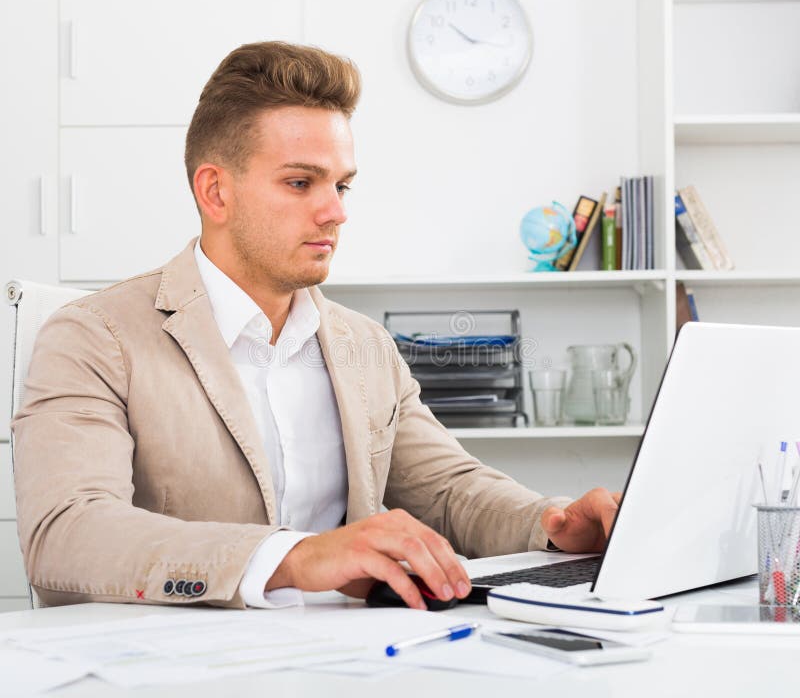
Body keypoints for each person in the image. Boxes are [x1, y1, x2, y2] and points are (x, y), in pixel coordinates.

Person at [11, 42, 620, 610]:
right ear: (215, 192)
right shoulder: (94, 336)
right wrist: (292, 556)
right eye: (301, 183)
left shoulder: (365, 346)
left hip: (351, 660)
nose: (336, 211)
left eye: (341, 184)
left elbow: (448, 489)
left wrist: (553, 523)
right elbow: (67, 531)